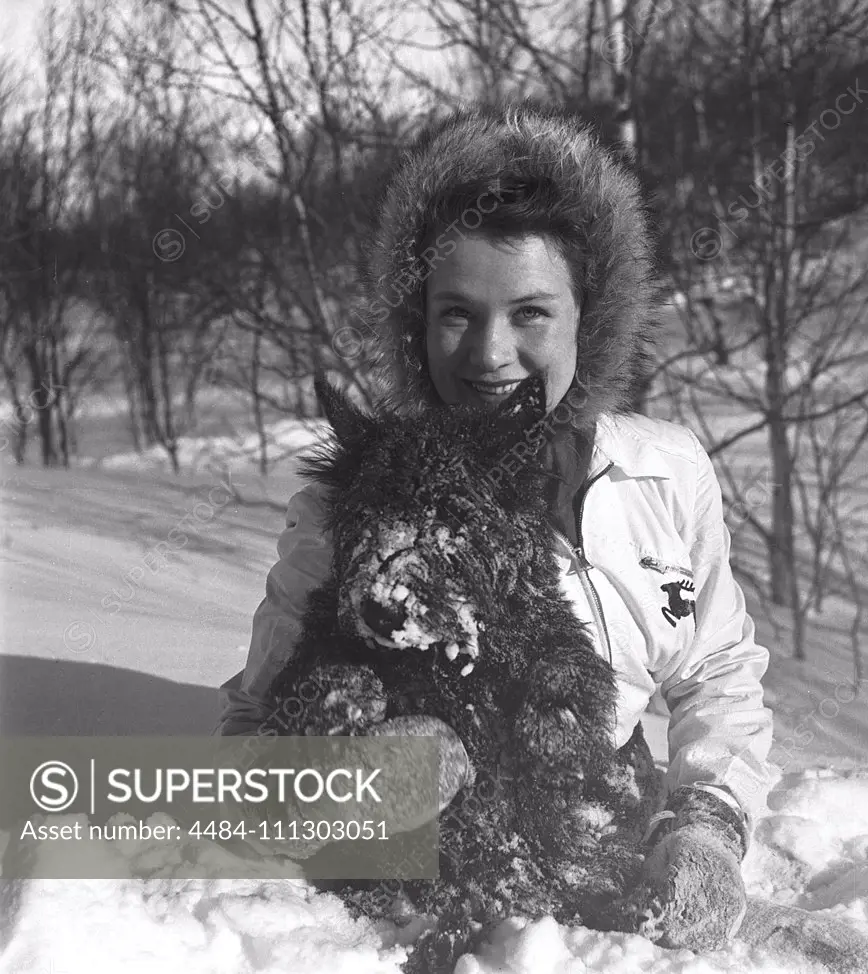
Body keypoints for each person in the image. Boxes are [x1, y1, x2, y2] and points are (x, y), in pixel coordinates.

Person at [216, 101, 775, 951]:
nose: (488, 354)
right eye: (457, 313)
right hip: (418, 882)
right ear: (416, 323)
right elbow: (254, 731)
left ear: (592, 315)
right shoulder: (361, 495)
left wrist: (706, 822)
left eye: (530, 313)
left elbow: (717, 671)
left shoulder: (666, 472)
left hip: (593, 831)